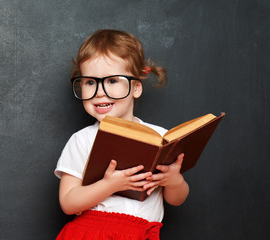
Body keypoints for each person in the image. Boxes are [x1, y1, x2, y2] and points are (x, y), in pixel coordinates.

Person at [54, 29, 189, 240]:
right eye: (90, 82)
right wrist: (110, 185)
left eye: (112, 81)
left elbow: (177, 200)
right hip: (93, 234)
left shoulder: (160, 137)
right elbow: (68, 203)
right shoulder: (82, 140)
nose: (99, 92)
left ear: (136, 87)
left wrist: (174, 181)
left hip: (142, 234)